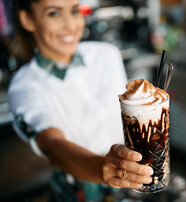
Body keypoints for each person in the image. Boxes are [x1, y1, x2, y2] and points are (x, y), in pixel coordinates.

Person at [7, 0, 153, 190]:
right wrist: (103, 168)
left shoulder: (106, 54)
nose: (71, 25)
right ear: (28, 20)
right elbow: (52, 144)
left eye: (74, 11)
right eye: (54, 13)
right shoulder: (24, 86)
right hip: (79, 190)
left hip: (134, 177)